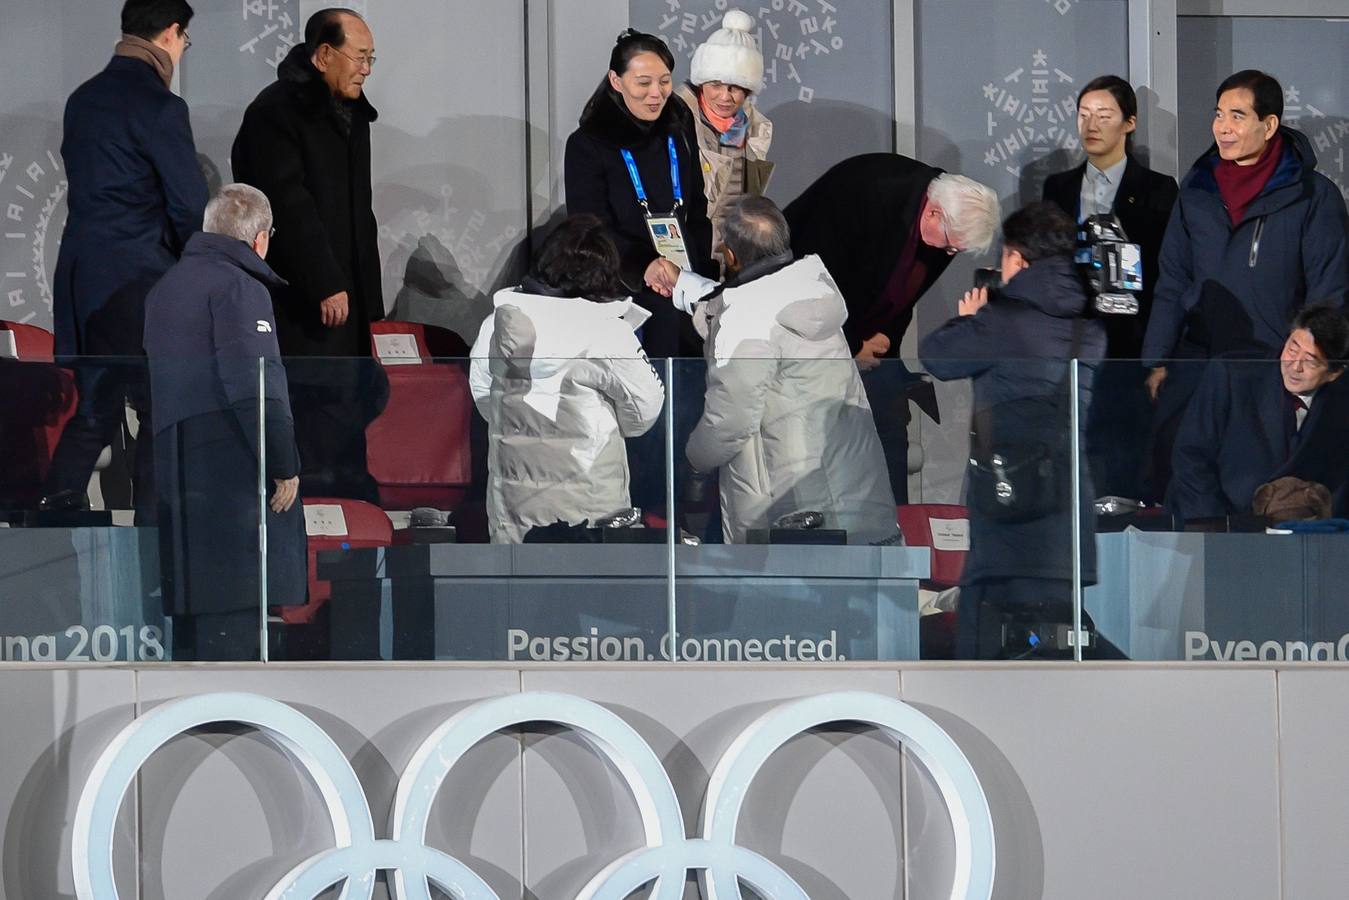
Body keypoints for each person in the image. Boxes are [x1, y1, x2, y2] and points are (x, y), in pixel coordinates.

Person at [1140, 70, 1349, 498]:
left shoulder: (1314, 197)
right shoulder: (1196, 192)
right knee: (1192, 491)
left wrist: (1305, 364)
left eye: (1237, 115)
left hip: (1271, 375)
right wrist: (1157, 361)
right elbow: (1173, 280)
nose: (1223, 127)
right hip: (1201, 370)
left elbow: (1330, 294)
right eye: (1218, 115)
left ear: (1268, 125)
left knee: (1265, 499)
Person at [40, 0, 208, 515]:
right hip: (141, 282)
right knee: (164, 410)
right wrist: (201, 269)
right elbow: (188, 206)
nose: (182, 51)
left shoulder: (83, 100)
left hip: (85, 278)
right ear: (172, 33)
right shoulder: (161, 106)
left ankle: (59, 507)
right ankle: (157, 541)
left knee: (95, 408)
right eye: (185, 40)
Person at [920, 202, 1107, 660]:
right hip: (1068, 525)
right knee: (1058, 657)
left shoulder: (1002, 322)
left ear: (1019, 259)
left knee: (988, 655)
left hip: (1008, 516)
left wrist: (971, 317)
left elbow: (936, 356)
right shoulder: (1090, 329)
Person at [143, 184, 306, 661]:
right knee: (236, 632)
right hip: (233, 477)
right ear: (259, 239)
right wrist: (284, 462)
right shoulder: (239, 287)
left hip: (178, 470)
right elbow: (256, 384)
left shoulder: (165, 287)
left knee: (195, 639)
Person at [677, 197, 900, 545]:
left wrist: (693, 461)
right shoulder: (811, 294)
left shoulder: (746, 318)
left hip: (786, 509)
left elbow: (730, 420)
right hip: (855, 490)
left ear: (731, 256)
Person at [231, 7, 386, 502]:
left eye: (371, 59)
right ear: (323, 55)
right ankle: (311, 535)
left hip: (349, 300)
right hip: (304, 303)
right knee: (314, 419)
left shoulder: (351, 113)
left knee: (346, 417)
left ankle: (353, 534)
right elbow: (287, 206)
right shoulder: (275, 114)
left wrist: (369, 300)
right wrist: (324, 280)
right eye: (358, 57)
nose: (364, 69)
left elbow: (360, 215)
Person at [783, 155, 1000, 500]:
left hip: (874, 345)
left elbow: (906, 286)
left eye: (956, 250)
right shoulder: (869, 194)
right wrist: (853, 345)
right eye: (949, 244)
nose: (948, 253)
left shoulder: (946, 226)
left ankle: (896, 535)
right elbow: (810, 278)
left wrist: (887, 335)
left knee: (889, 435)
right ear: (932, 212)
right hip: (809, 336)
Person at [469, 215, 665, 543]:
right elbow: (644, 414)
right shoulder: (606, 331)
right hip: (590, 513)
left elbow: (486, 402)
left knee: (516, 591)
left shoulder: (496, 322)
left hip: (512, 513)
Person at [1043, 75, 1179, 501]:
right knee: (1068, 460)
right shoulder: (1058, 187)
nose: (1091, 125)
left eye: (1104, 116)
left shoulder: (1159, 189)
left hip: (1128, 348)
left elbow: (1166, 276)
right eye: (1083, 115)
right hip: (1070, 346)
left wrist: (1159, 357)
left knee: (1124, 459)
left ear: (1129, 123)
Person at [564, 28, 717, 359]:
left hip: (684, 275)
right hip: (624, 280)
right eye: (643, 83)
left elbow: (697, 206)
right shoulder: (588, 142)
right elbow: (588, 227)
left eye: (664, 81)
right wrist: (642, 265)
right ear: (616, 82)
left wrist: (699, 273)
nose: (656, 94)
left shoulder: (678, 122)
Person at [1168, 305, 1349, 524]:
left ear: (1334, 373)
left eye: (1310, 361)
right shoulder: (1231, 375)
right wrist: (1215, 526)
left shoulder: (1339, 406)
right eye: (1293, 348)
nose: (1295, 366)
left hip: (1296, 535)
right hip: (1219, 522)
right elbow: (1191, 455)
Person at [672, 10, 774, 270]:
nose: (725, 97)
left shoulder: (754, 127)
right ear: (701, 81)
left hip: (733, 254)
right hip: (687, 250)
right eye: (716, 84)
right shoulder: (675, 121)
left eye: (735, 87)